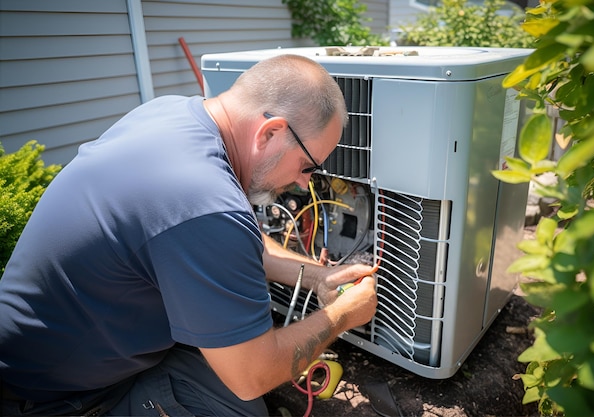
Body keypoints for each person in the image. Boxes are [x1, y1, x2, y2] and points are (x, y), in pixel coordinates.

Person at [0, 54, 378, 416]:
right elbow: (252, 375)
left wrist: (316, 276)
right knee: (238, 401)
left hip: (48, 353)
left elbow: (220, 241)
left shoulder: (169, 113)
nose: (303, 182)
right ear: (271, 132)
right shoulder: (206, 205)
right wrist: (342, 314)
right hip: (52, 397)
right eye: (308, 166)